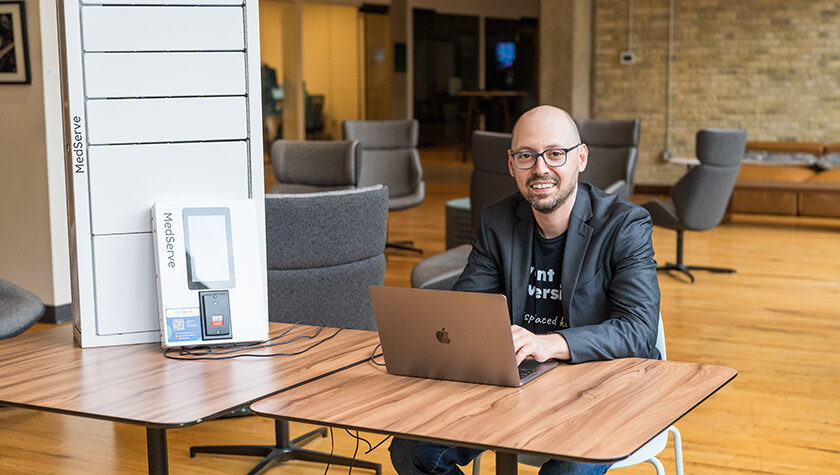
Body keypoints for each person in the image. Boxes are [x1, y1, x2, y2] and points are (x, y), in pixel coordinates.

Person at [389, 105, 661, 475]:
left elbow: (638, 330)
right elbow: (463, 308)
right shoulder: (497, 220)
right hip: (520, 379)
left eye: (554, 154)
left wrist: (551, 343)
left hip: (602, 382)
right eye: (526, 156)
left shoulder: (625, 225)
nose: (540, 168)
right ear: (511, 163)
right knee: (412, 450)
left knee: (567, 471)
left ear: (580, 158)